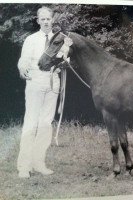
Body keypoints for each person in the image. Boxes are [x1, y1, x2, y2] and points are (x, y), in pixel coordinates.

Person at [17, 6, 60, 178]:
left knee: (45, 123)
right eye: (42, 19)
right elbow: (24, 60)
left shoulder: (59, 40)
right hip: (35, 82)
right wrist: (22, 68)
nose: (46, 21)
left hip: (53, 83)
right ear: (38, 21)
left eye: (48, 18)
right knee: (31, 123)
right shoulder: (31, 39)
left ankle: (39, 163)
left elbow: (66, 59)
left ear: (52, 20)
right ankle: (24, 166)